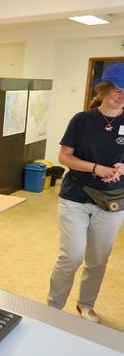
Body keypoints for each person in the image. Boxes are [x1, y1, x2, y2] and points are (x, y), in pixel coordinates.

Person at [47, 63, 124, 323]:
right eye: (118, 90)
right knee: (71, 257)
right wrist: (95, 168)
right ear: (103, 90)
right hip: (76, 197)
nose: (123, 96)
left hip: (112, 201)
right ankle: (53, 308)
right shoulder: (82, 120)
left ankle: (86, 305)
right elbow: (64, 157)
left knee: (98, 260)